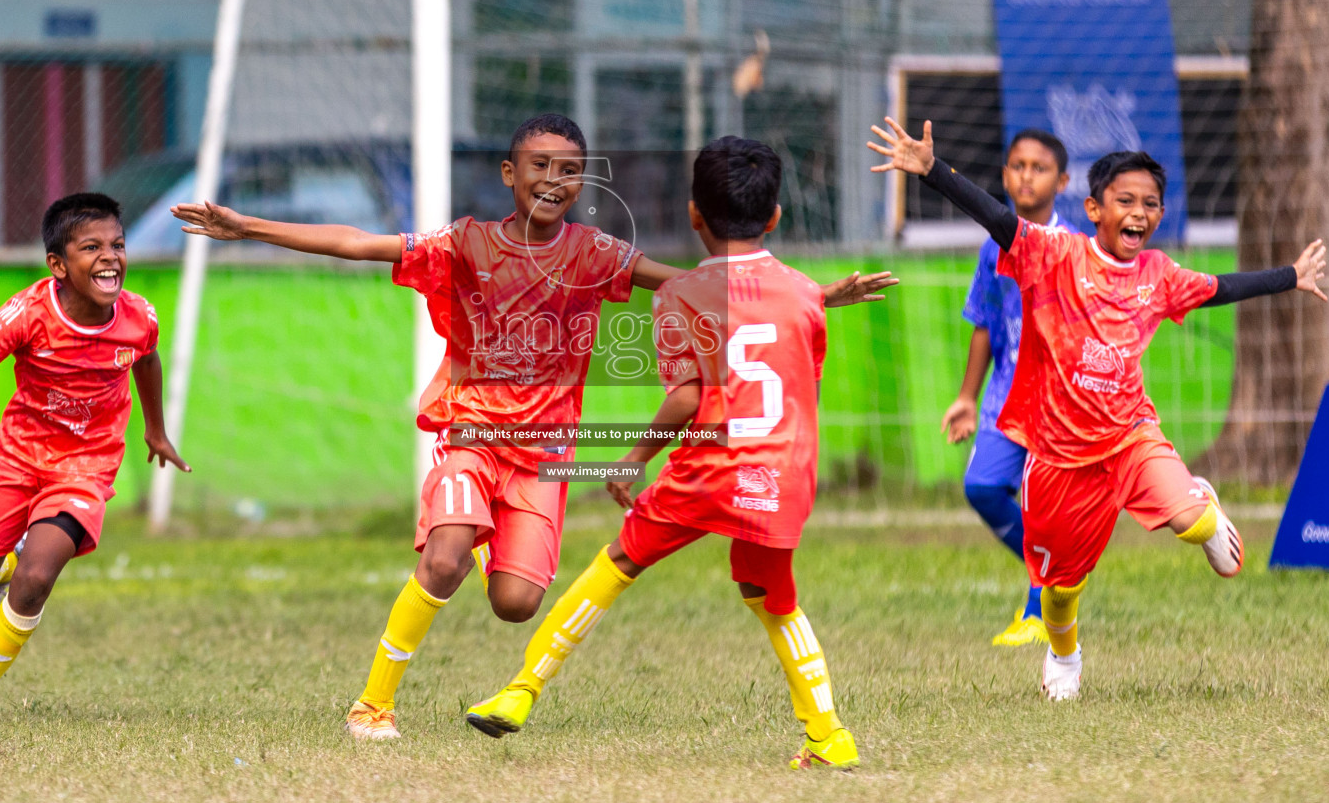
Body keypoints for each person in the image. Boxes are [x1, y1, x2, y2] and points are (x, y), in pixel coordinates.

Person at [172, 114, 894, 741]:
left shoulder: (595, 253)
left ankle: (491, 545)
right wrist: (247, 227)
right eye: (540, 166)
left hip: (547, 457)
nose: (554, 179)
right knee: (445, 558)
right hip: (473, 434)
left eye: (570, 171)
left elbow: (699, 284)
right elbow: (359, 243)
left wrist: (816, 295)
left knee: (515, 605)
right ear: (509, 173)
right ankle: (373, 705)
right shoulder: (465, 242)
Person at [868, 117, 1326, 700]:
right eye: (1125, 200)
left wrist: (1291, 276)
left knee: (1189, 523)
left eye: (1151, 204)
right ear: (1093, 208)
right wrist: (933, 171)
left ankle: (1200, 506)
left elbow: (1221, 287)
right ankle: (1065, 655)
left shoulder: (1159, 275)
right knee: (1059, 588)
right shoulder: (1053, 253)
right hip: (1059, 457)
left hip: (1131, 437)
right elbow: (998, 219)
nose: (1139, 212)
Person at [464, 137, 874, 771]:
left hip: (705, 474)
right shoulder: (803, 296)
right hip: (781, 477)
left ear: (693, 215)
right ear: (775, 217)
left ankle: (520, 693)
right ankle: (829, 735)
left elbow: (687, 396)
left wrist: (635, 457)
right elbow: (798, 379)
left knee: (617, 563)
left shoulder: (678, 295)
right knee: (775, 596)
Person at [0, 192, 190, 729]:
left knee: (41, 573)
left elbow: (147, 358)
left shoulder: (139, 317)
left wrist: (155, 430)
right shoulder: (27, 313)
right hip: (18, 458)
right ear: (58, 265)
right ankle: (9, 559)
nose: (110, 257)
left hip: (86, 466)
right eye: (91, 247)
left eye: (117, 244)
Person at [940, 129, 1074, 647]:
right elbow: (983, 323)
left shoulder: (1072, 248)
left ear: (1061, 181)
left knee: (1044, 506)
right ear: (1003, 175)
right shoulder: (991, 248)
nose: (1025, 175)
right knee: (981, 488)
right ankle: (1057, 575)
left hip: (1057, 402)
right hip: (1003, 396)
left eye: (1038, 167)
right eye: (1017, 165)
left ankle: (1039, 609)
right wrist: (966, 398)